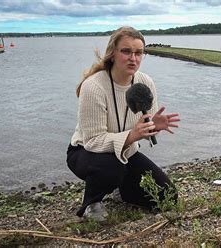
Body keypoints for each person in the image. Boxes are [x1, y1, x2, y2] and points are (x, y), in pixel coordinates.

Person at [66, 26, 180, 222]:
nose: (133, 58)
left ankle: (121, 190)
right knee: (112, 169)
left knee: (166, 196)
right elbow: (93, 141)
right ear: (113, 53)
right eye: (126, 51)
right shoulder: (94, 86)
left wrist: (154, 126)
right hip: (85, 152)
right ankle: (92, 203)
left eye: (138, 53)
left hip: (126, 152)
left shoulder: (144, 82)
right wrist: (133, 135)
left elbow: (145, 130)